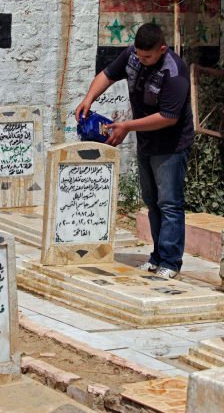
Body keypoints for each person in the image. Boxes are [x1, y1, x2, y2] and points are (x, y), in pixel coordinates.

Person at [75, 23, 194, 279]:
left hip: (171, 146)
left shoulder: (174, 72)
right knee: (152, 202)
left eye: (148, 56)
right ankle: (157, 257)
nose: (142, 60)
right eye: (139, 55)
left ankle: (171, 262)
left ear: (162, 49)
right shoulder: (132, 55)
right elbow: (107, 74)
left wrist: (127, 126)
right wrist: (88, 99)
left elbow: (168, 117)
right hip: (147, 143)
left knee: (170, 203)